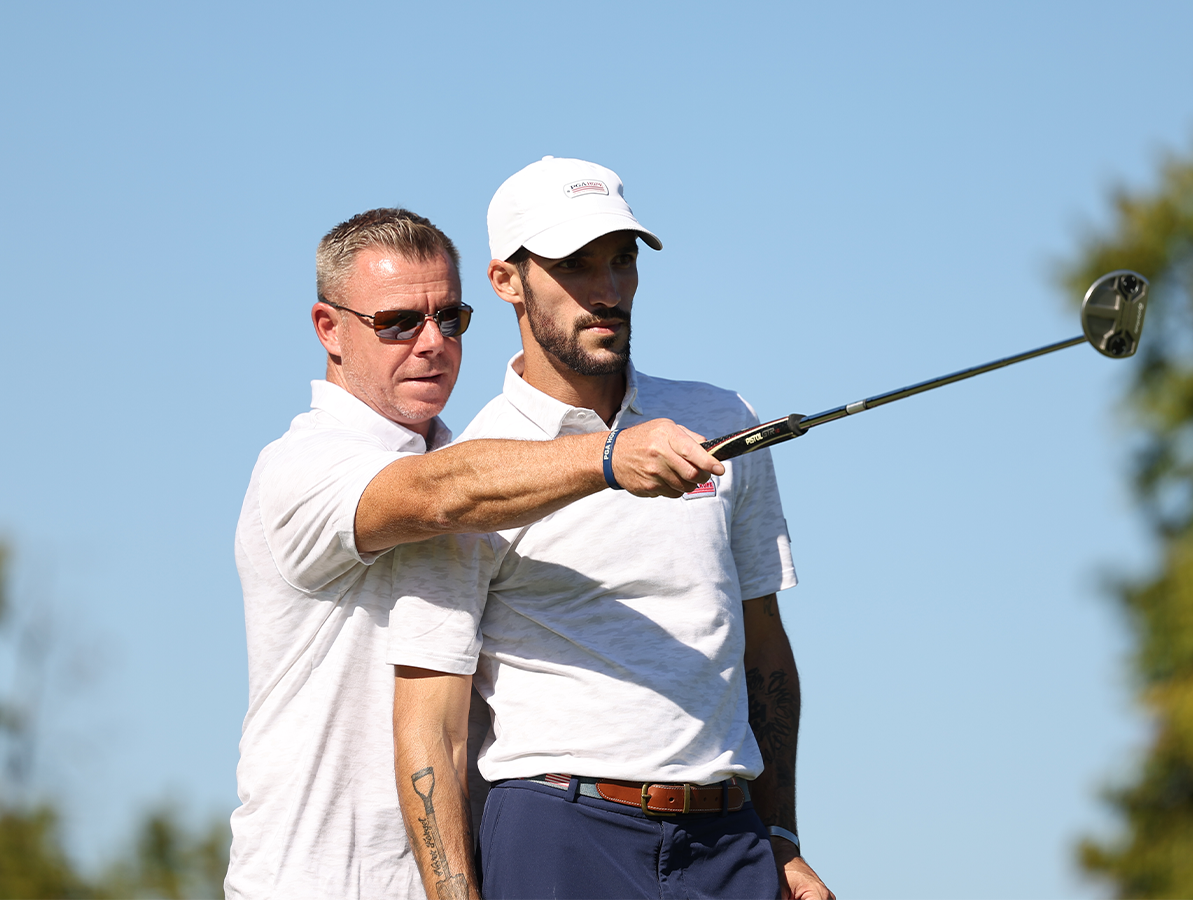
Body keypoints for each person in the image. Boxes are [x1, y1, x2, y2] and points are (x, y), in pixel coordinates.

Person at [224, 207, 726, 900]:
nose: (431, 343)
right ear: (328, 329)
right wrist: (611, 452)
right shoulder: (303, 465)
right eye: (398, 322)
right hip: (316, 879)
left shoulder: (474, 458)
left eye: (450, 319)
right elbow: (441, 494)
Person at [389, 159, 836, 900]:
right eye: (574, 265)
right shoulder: (465, 476)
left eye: (621, 261)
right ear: (506, 281)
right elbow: (429, 723)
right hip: (558, 836)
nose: (607, 290)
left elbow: (763, 647)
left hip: (729, 841)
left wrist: (781, 836)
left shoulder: (724, 422)